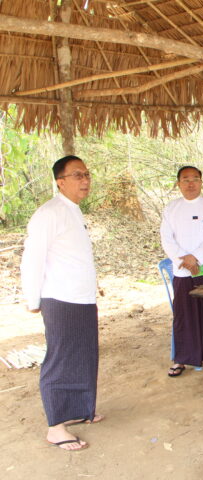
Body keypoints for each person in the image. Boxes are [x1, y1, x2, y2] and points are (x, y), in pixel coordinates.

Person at [21, 155, 102, 451]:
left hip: (81, 297)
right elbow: (33, 259)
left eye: (87, 174)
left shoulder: (73, 211)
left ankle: (79, 410)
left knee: (84, 356)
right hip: (61, 298)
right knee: (62, 360)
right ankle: (56, 427)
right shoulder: (49, 213)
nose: (85, 180)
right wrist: (32, 298)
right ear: (60, 182)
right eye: (77, 175)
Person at [160, 166, 203, 377]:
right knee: (184, 315)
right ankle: (182, 358)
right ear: (178, 183)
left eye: (195, 179)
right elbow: (166, 239)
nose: (191, 183)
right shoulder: (171, 208)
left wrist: (196, 257)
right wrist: (185, 259)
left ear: (201, 182)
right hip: (182, 270)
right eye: (186, 179)